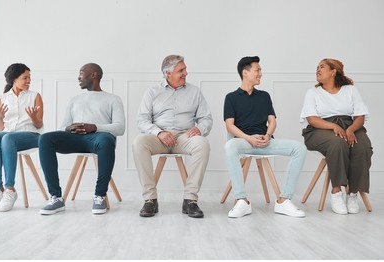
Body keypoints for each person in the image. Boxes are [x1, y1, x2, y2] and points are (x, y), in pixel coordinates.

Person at [224, 56, 306, 218]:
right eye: (258, 70)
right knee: (230, 146)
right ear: (245, 72)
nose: (261, 73)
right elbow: (230, 126)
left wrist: (268, 135)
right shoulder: (231, 98)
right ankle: (242, 200)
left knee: (299, 148)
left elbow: (272, 121)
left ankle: (284, 200)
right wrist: (249, 138)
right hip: (244, 142)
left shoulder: (264, 96)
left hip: (265, 141)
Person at [39, 63, 125, 215]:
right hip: (75, 138)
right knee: (45, 139)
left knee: (106, 140)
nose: (78, 77)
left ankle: (99, 196)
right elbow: (63, 127)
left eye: (81, 73)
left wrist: (95, 127)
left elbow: (120, 128)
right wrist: (69, 128)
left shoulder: (113, 99)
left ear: (94, 75)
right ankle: (56, 198)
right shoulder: (75, 100)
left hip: (98, 138)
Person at [132, 55, 213, 218]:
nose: (186, 73)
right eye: (181, 70)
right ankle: (150, 200)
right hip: (159, 137)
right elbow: (142, 120)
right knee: (138, 142)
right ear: (168, 73)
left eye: (185, 69)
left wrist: (200, 129)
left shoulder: (194, 92)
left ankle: (190, 200)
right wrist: (159, 132)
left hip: (185, 137)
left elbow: (206, 118)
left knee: (202, 143)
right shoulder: (152, 92)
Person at [300, 58, 373, 215]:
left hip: (350, 127)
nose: (317, 70)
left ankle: (352, 193)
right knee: (337, 143)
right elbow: (312, 119)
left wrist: (351, 129)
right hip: (319, 128)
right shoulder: (313, 93)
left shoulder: (350, 90)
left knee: (363, 146)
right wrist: (334, 126)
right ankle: (336, 192)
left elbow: (360, 116)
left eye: (322, 67)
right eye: (317, 67)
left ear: (333, 71)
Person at [0, 63, 44, 212]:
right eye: (25, 78)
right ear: (14, 79)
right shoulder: (2, 98)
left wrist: (33, 117)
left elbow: (39, 125)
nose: (28, 81)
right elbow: (0, 128)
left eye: (29, 78)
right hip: (9, 135)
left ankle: (10, 189)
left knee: (7, 139)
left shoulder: (35, 96)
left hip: (31, 135)